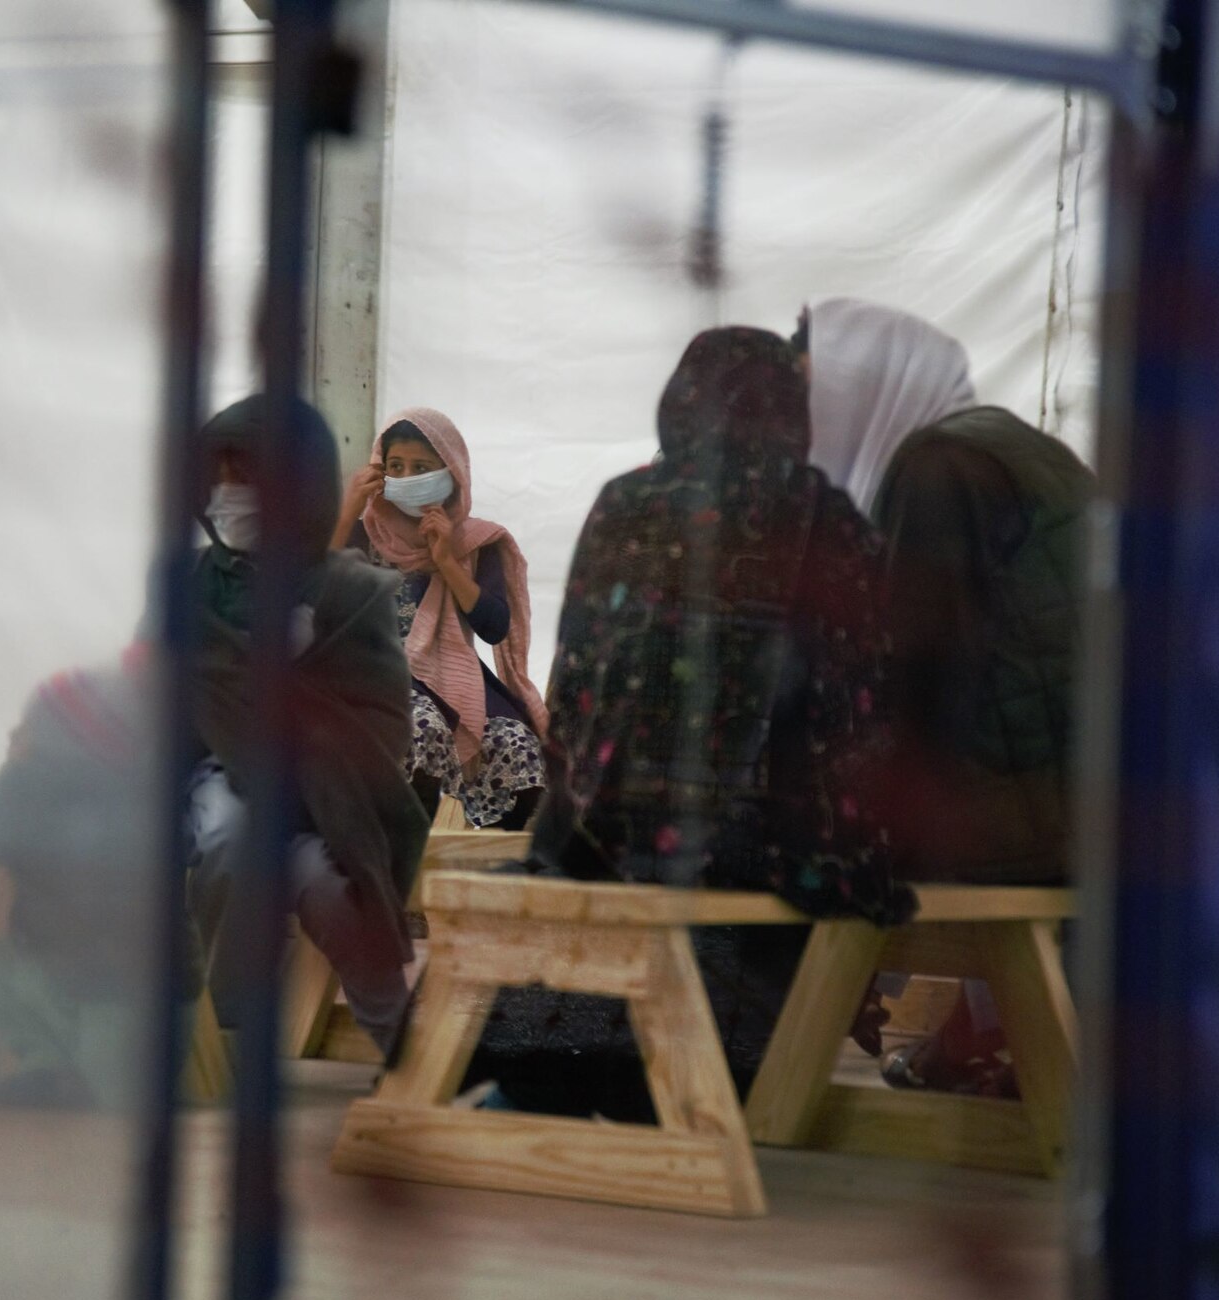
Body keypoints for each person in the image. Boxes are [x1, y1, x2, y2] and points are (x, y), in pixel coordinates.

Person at [463, 327, 911, 1119]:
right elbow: (867, 708)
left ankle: (542, 1077)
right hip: (769, 849)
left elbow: (575, 686)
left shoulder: (624, 503)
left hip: (607, 833)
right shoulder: (831, 522)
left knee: (578, 877)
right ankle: (679, 1079)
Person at [801, 297, 1094, 1091]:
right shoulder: (1014, 446)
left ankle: (755, 1041)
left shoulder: (935, 469)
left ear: (854, 388)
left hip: (1026, 827)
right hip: (1095, 809)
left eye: (808, 399)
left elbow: (921, 685)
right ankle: (988, 1028)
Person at [189, 395, 431, 1059]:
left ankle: (408, 1055)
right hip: (217, 784)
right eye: (221, 477)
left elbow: (382, 721)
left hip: (326, 798)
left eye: (249, 479)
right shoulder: (192, 585)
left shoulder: (349, 593)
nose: (229, 495)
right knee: (228, 836)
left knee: (335, 889)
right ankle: (224, 1020)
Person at [0, 645, 162, 1112]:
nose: (20, 732)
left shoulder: (32, 786)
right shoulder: (142, 783)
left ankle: (56, 1067)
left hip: (103, 1006)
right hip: (159, 1001)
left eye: (31, 723)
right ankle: (58, 1074)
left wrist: (8, 767)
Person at [332, 409, 549, 829]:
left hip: (455, 681)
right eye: (396, 467)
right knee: (420, 726)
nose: (407, 477)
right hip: (373, 677)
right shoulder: (360, 535)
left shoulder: (476, 542)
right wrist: (346, 515)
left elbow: (494, 626)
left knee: (519, 746)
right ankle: (406, 856)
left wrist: (446, 560)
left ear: (451, 472)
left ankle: (481, 872)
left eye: (421, 468)